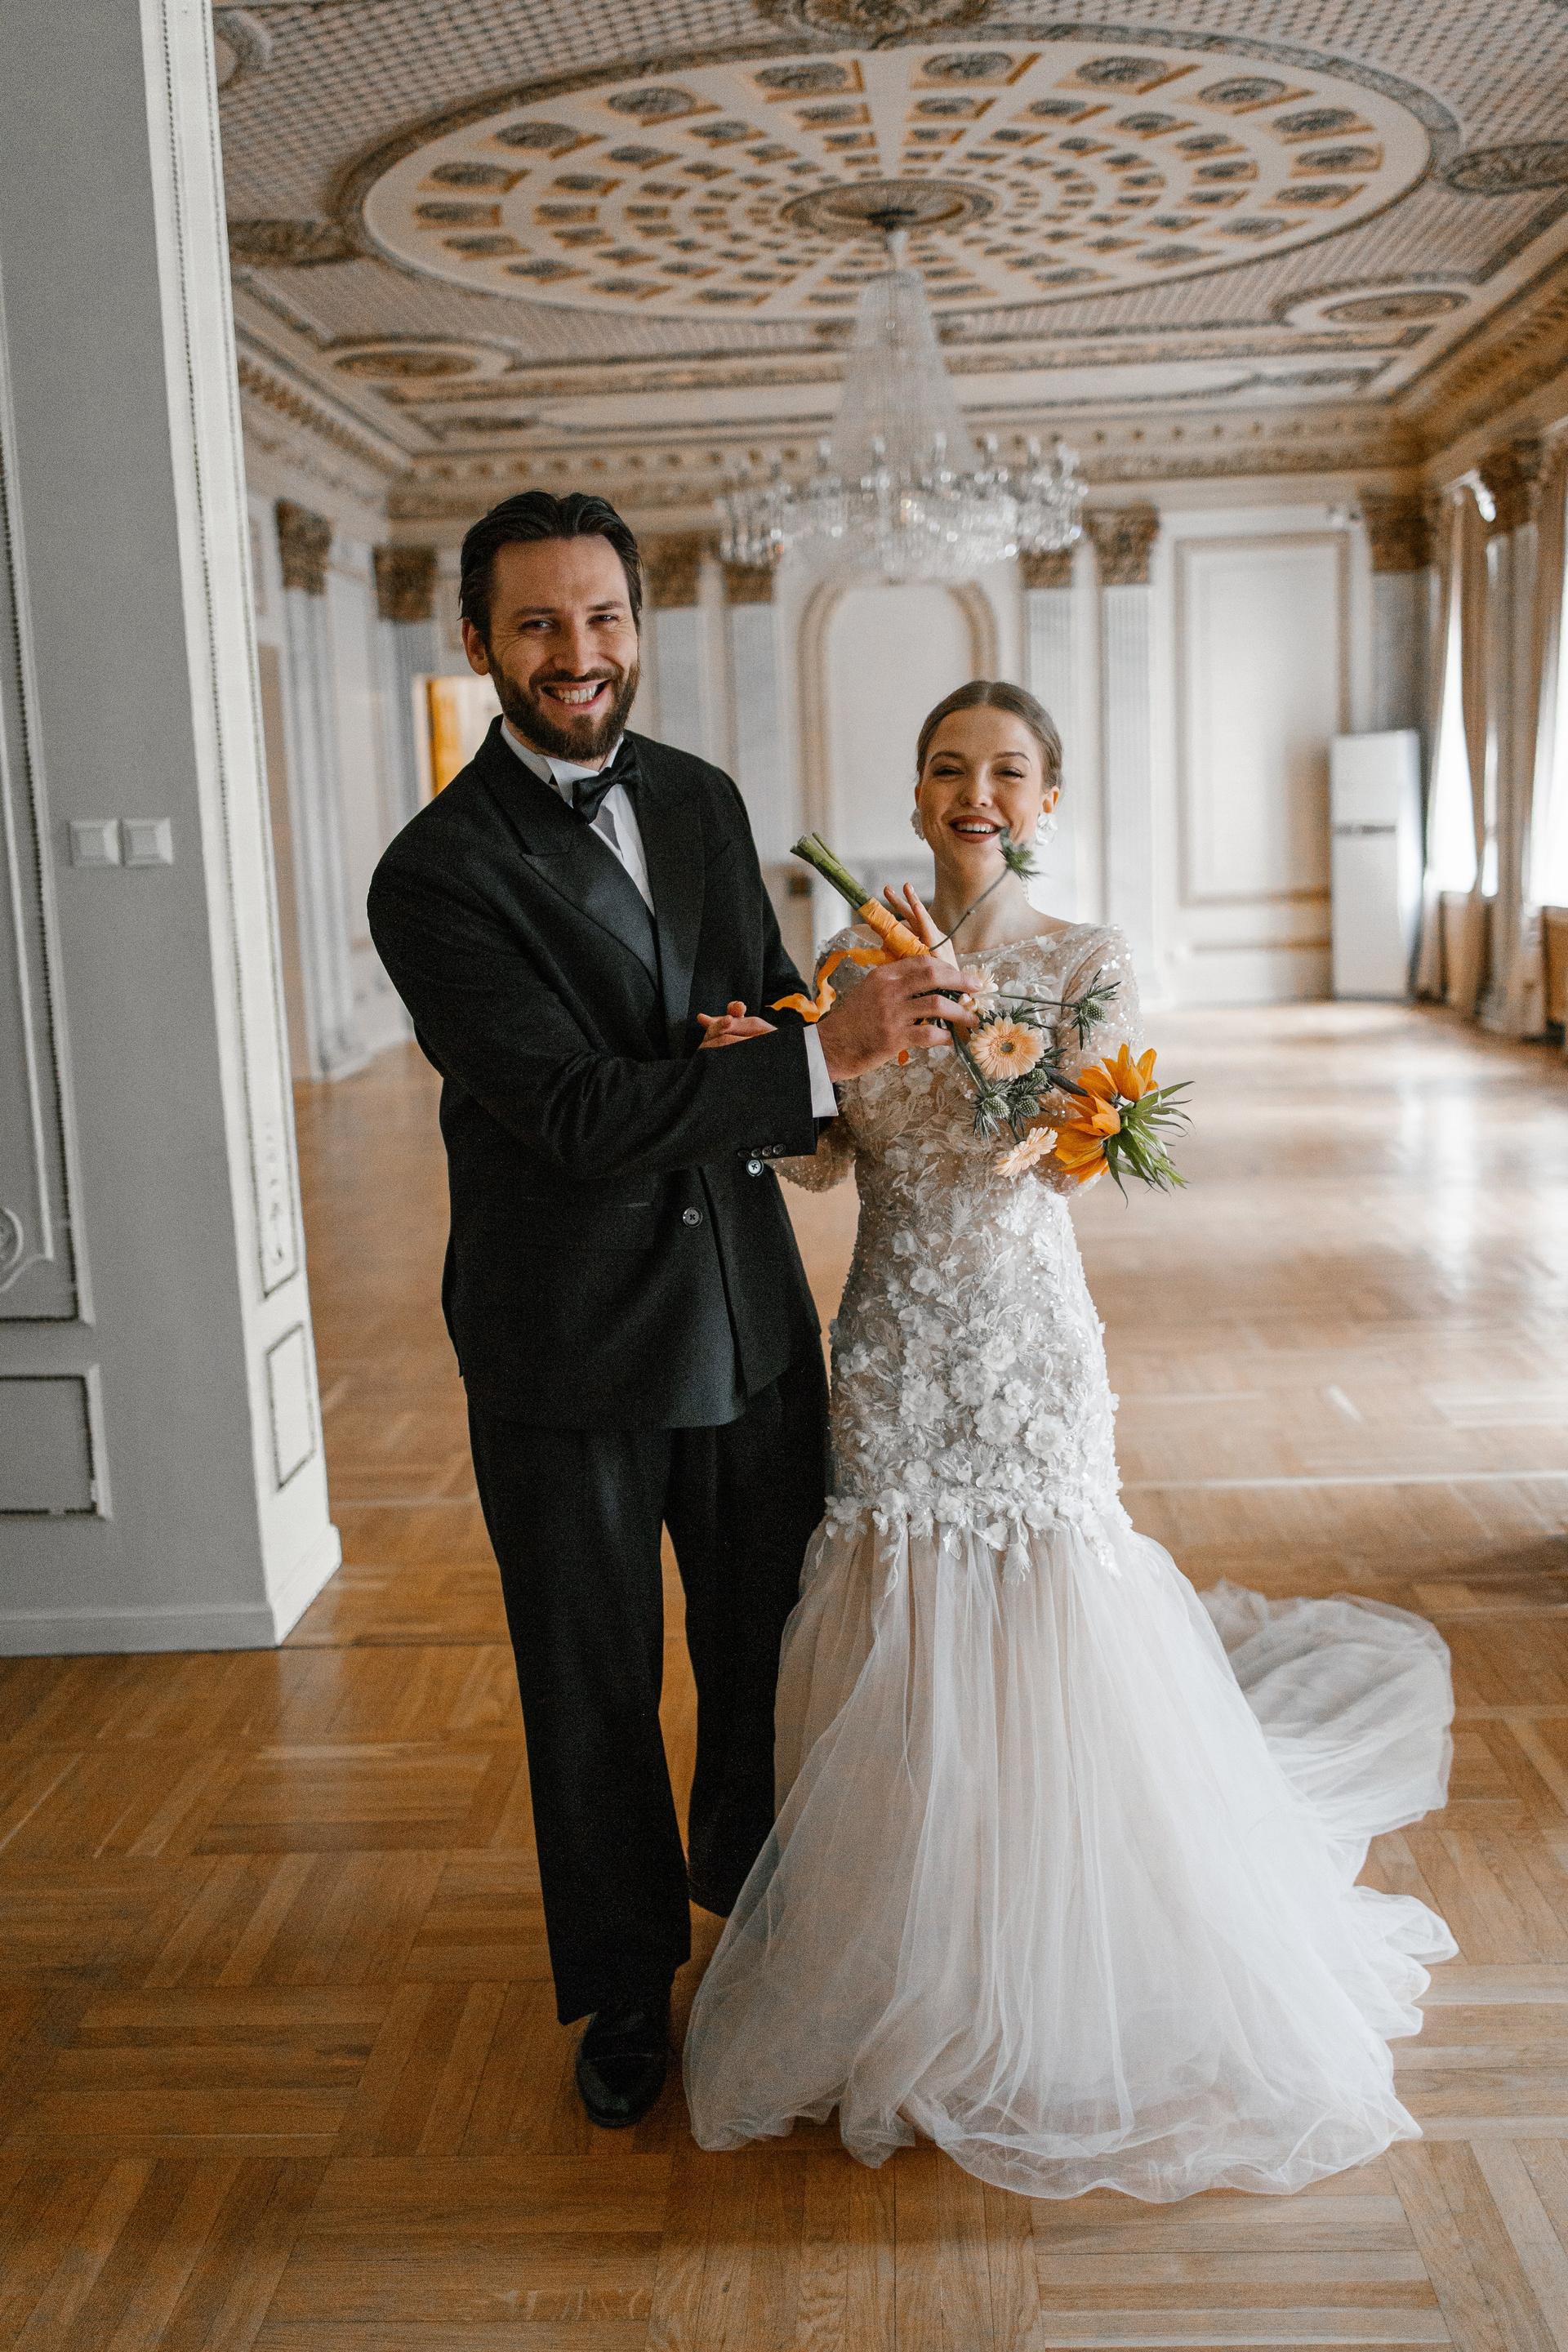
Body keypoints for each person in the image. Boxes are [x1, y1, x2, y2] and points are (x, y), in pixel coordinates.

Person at [683, 678, 1457, 2200]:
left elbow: (1069, 1164)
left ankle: (1058, 1951)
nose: (975, 793)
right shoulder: (847, 958)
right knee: (892, 1605)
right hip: (893, 1338)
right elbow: (831, 1159)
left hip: (1023, 1342)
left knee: (1041, 1600)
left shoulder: (1089, 962)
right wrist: (757, 1076)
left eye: (1006, 772)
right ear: (915, 796)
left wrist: (987, 1034)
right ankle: (903, 1953)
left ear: (1047, 801)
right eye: (948, 768)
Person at [366, 492, 983, 2130]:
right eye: (538, 625)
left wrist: (780, 1050)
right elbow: (572, 1116)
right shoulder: (432, 875)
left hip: (743, 1309)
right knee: (591, 1683)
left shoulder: (705, 798)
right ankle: (626, 1986)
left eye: (602, 617)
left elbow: (758, 1003)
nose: (578, 654)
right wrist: (815, 1055)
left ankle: (765, 1929)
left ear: (639, 623)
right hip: (565, 1339)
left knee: (771, 1649)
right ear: (479, 641)